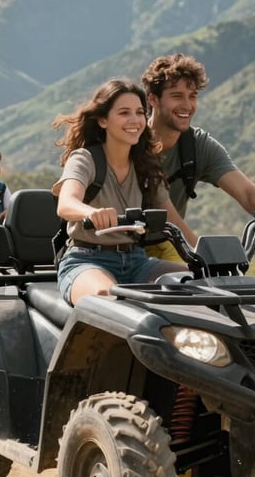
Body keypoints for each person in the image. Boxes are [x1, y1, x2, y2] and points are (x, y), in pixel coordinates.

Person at [142, 53, 255, 261]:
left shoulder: (196, 145)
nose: (187, 105)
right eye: (177, 96)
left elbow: (246, 191)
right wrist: (200, 252)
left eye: (192, 96)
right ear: (153, 99)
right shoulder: (131, 140)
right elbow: (163, 207)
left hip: (166, 244)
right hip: (121, 247)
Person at [52, 78, 188, 306]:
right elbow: (66, 203)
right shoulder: (85, 159)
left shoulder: (146, 165)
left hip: (137, 261)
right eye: (124, 113)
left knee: (199, 284)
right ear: (103, 120)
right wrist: (91, 213)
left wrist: (205, 254)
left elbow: (173, 218)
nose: (134, 120)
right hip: (87, 260)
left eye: (139, 112)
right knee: (107, 299)